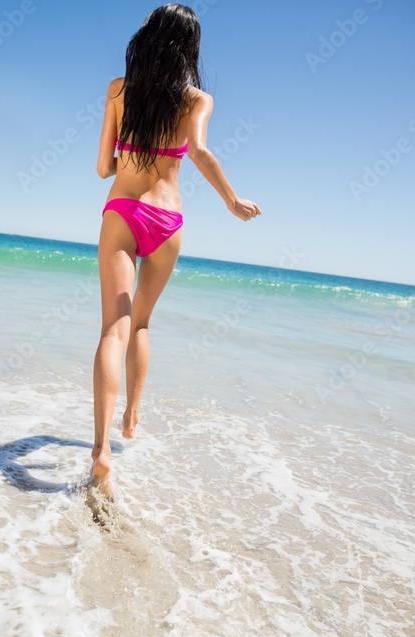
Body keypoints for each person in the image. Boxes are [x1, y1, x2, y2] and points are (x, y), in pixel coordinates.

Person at [91, 4, 260, 496]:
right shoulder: (197, 100)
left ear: (147, 36)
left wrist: (126, 158)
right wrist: (232, 201)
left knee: (113, 331)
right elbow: (202, 153)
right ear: (190, 47)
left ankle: (100, 450)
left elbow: (103, 167)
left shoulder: (117, 90)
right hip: (167, 221)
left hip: (123, 211)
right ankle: (132, 417)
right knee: (141, 324)